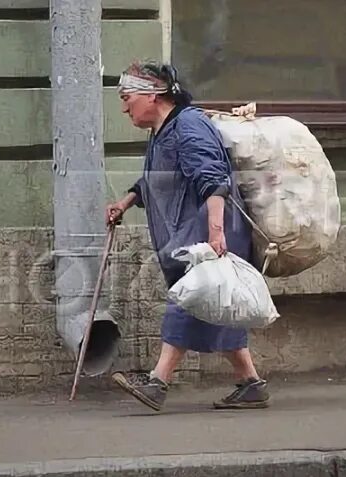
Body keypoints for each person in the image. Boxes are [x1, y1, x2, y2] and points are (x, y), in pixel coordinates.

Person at [107, 61, 270, 411]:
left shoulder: (189, 125)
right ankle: (251, 383)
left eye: (127, 97)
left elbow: (213, 180)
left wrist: (215, 233)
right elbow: (156, 177)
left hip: (209, 230)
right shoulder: (163, 130)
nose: (124, 107)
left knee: (188, 299)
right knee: (216, 306)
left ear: (153, 95)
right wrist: (125, 201)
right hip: (193, 232)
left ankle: (157, 382)